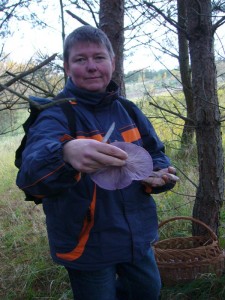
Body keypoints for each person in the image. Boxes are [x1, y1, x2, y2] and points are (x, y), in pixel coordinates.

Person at [16, 25, 179, 300]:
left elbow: (156, 153)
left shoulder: (128, 109)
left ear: (112, 63)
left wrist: (158, 175)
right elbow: (31, 177)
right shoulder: (55, 115)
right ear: (67, 66)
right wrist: (65, 153)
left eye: (99, 58)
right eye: (81, 59)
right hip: (87, 245)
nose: (91, 66)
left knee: (148, 292)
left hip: (136, 238)